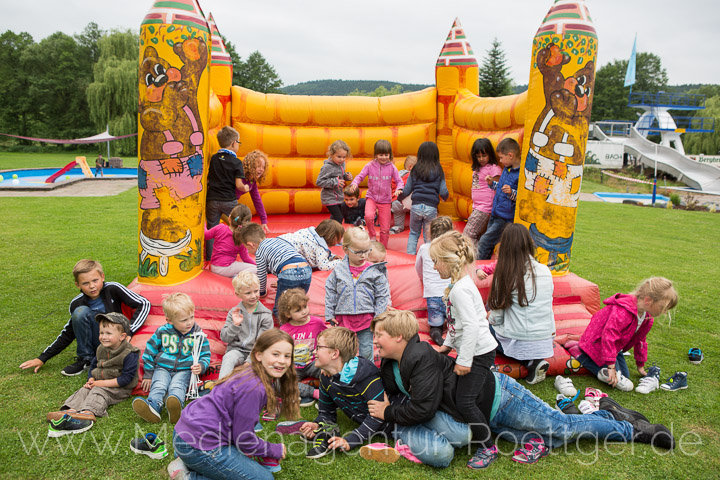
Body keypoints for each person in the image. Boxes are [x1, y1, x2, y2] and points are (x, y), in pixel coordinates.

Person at [367, 310, 674, 468]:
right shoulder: (391, 363)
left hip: (502, 398)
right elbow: (398, 393)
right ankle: (608, 415)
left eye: (379, 335)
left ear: (398, 337)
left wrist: (389, 412)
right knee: (548, 438)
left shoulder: (420, 357)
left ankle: (630, 430)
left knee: (562, 428)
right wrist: (391, 404)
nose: (375, 341)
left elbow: (424, 406)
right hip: (483, 416)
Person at [169, 329, 299, 479]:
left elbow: (239, 431)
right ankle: (188, 476)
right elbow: (243, 439)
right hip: (199, 446)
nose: (282, 360)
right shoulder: (255, 388)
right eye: (275, 354)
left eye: (287, 356)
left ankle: (184, 461)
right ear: (258, 355)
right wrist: (272, 449)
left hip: (184, 433)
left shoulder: (249, 371)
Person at [430, 231, 499, 469]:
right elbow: (455, 323)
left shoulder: (459, 290)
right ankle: (482, 429)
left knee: (466, 402)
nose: (434, 267)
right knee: (464, 398)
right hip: (473, 349)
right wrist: (447, 346)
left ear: (449, 261)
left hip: (478, 352)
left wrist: (464, 360)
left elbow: (470, 326)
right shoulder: (458, 285)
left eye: (435, 261)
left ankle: (488, 447)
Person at [19, 259, 150, 376]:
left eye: (95, 280)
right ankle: (86, 360)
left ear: (102, 277)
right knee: (80, 312)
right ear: (78, 285)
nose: (92, 286)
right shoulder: (77, 303)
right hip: (97, 342)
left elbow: (144, 303)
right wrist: (42, 358)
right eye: (85, 283)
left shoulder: (113, 289)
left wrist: (129, 331)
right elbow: (68, 333)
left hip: (117, 340)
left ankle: (109, 358)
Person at [297, 327, 393, 459]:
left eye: (319, 347)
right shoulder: (326, 376)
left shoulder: (366, 376)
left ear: (334, 354)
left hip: (396, 425)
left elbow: (377, 416)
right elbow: (326, 413)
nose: (314, 351)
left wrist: (351, 440)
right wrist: (317, 424)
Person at [46, 312, 140, 437]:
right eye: (101, 333)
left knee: (99, 392)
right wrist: (91, 378)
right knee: (84, 390)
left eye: (108, 333)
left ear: (122, 336)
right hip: (100, 381)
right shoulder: (101, 348)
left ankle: (88, 413)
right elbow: (94, 365)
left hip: (119, 388)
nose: (103, 337)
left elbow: (126, 379)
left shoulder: (130, 353)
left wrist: (100, 383)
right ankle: (70, 410)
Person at [577, 277, 678, 392]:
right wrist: (611, 366)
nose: (664, 312)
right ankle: (581, 355)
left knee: (625, 376)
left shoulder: (646, 317)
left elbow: (640, 340)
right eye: (662, 307)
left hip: (615, 347)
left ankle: (604, 366)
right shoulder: (623, 312)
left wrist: (640, 365)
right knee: (623, 384)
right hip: (596, 343)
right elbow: (608, 336)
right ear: (648, 300)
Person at [487, 224, 555, 385]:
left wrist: (488, 317)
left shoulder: (506, 274)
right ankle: (533, 361)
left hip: (518, 338)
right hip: (546, 338)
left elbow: (496, 318)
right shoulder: (545, 270)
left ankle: (528, 362)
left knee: (483, 327)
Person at [133, 293, 211, 424]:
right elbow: (149, 351)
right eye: (184, 320)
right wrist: (148, 374)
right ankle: (153, 407)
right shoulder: (162, 332)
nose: (189, 322)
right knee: (159, 385)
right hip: (162, 367)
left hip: (184, 369)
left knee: (177, 386)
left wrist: (201, 366)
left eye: (191, 317)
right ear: (169, 320)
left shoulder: (198, 334)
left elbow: (205, 354)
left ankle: (175, 407)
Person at [325, 227, 389, 360]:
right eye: (359, 252)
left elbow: (382, 295)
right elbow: (330, 290)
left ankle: (367, 375)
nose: (363, 256)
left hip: (366, 318)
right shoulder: (339, 270)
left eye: (367, 251)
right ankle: (344, 375)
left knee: (366, 351)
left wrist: (379, 316)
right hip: (344, 318)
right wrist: (329, 313)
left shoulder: (374, 271)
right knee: (344, 350)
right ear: (346, 249)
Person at [238, 222, 312, 320]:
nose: (248, 251)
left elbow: (262, 274)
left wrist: (262, 292)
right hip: (306, 269)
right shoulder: (277, 240)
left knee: (280, 309)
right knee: (298, 301)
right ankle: (302, 324)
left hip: (288, 273)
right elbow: (286, 257)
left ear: (251, 245)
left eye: (247, 249)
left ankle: (286, 330)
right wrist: (282, 281)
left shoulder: (259, 252)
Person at [348, 139, 403, 248]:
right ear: (376, 155)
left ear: (390, 155)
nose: (383, 157)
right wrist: (354, 183)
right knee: (368, 216)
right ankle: (372, 236)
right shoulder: (370, 166)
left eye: (386, 155)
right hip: (372, 197)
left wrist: (399, 188)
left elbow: (399, 181)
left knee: (385, 228)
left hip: (385, 200)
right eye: (380, 154)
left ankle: (383, 247)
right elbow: (360, 176)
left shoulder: (392, 167)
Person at [219, 271, 274, 379]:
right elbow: (225, 338)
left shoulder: (265, 315)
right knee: (229, 358)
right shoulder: (234, 312)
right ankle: (220, 390)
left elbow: (262, 342)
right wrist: (235, 325)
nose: (253, 296)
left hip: (257, 353)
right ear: (238, 294)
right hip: (237, 350)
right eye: (248, 293)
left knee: (251, 373)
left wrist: (249, 361)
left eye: (256, 291)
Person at [277, 288, 327, 406]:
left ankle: (330, 394)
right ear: (288, 314)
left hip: (313, 362)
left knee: (332, 372)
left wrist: (320, 349)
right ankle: (314, 393)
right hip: (294, 366)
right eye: (298, 310)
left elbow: (328, 339)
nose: (304, 311)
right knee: (280, 384)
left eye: (305, 307)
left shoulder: (317, 323)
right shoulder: (284, 330)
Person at [398, 142, 449, 254]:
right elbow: (443, 190)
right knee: (428, 235)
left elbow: (407, 189)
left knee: (414, 233)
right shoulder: (438, 170)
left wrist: (399, 197)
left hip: (416, 206)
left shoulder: (416, 169)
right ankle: (428, 257)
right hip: (431, 207)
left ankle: (410, 258)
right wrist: (445, 197)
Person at [476, 137, 521, 260]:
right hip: (496, 213)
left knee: (484, 242)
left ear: (510, 155)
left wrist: (512, 192)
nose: (500, 161)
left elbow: (521, 197)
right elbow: (501, 188)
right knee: (488, 243)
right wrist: (492, 184)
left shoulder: (520, 174)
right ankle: (483, 268)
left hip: (504, 218)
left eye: (501, 157)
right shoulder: (507, 169)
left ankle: (478, 267)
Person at [206, 127, 248, 255]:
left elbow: (209, 179)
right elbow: (239, 185)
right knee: (240, 224)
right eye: (239, 143)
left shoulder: (214, 158)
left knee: (211, 228)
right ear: (234, 143)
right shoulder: (236, 162)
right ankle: (237, 252)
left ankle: (209, 256)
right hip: (229, 202)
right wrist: (246, 187)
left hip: (212, 201)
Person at [415, 216, 453, 345]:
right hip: (451, 293)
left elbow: (418, 267)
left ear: (430, 232)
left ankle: (436, 334)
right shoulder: (453, 250)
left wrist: (423, 279)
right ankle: (453, 332)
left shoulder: (425, 248)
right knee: (454, 320)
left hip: (432, 294)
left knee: (436, 325)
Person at [463, 138, 502, 244]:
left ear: (490, 154)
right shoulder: (477, 169)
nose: (481, 159)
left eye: (484, 155)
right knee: (478, 236)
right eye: (478, 156)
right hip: (477, 207)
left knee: (468, 234)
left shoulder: (493, 168)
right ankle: (479, 257)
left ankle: (472, 258)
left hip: (485, 208)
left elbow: (498, 188)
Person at [205, 204, 256, 277]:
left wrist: (203, 224)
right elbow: (245, 258)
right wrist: (258, 266)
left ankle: (236, 275)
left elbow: (206, 235)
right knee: (256, 269)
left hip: (214, 267)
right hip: (226, 269)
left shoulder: (220, 228)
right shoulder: (241, 238)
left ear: (229, 218)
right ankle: (238, 276)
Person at [280, 219, 344, 271]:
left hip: (278, 242)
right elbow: (323, 266)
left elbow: (314, 252)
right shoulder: (320, 247)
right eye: (339, 238)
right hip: (284, 253)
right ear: (333, 238)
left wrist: (331, 257)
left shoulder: (309, 233)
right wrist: (339, 262)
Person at [316, 140, 353, 224]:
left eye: (344, 157)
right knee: (338, 218)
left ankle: (328, 233)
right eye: (339, 157)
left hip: (338, 196)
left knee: (335, 218)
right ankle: (335, 235)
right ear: (331, 155)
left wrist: (346, 176)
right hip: (329, 197)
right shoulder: (327, 167)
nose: (342, 159)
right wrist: (335, 182)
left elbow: (340, 177)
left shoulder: (341, 164)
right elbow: (319, 182)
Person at [237, 149, 271, 234]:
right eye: (259, 166)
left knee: (242, 219)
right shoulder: (240, 176)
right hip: (225, 202)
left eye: (263, 167)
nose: (261, 169)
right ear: (250, 166)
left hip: (231, 204)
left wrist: (264, 220)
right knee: (239, 219)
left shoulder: (252, 181)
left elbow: (257, 200)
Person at [390, 155, 417, 234]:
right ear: (411, 167)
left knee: (399, 219)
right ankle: (417, 226)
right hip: (408, 202)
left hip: (395, 203)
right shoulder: (412, 175)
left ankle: (397, 228)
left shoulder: (396, 175)